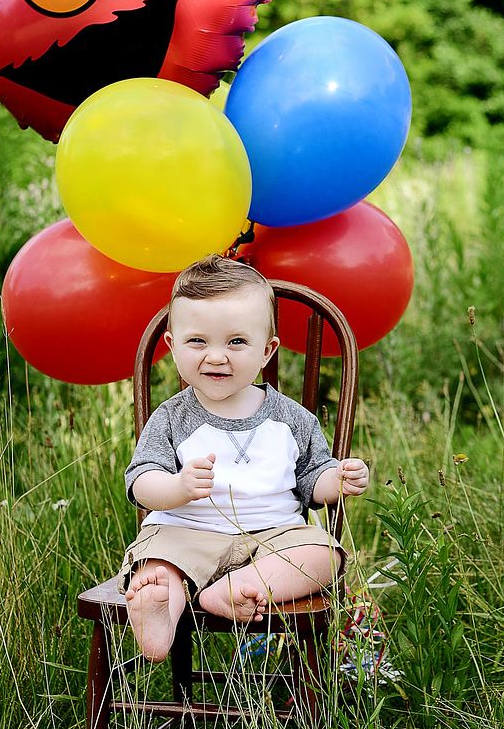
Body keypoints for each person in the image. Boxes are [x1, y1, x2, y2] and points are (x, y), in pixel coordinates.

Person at [121, 255, 369, 662]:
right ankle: (159, 612)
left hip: (273, 537)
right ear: (172, 345)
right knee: (158, 566)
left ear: (267, 350)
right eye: (198, 341)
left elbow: (313, 478)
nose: (216, 356)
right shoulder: (172, 417)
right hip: (187, 534)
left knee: (323, 555)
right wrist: (177, 487)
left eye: (236, 342)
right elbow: (141, 481)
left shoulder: (292, 418)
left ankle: (235, 590)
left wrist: (337, 480)